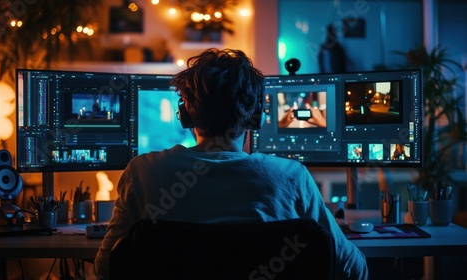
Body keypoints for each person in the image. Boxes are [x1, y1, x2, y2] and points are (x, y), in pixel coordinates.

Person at [94, 48, 368, 280]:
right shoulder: (292, 176)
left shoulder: (143, 172)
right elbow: (353, 270)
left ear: (185, 115)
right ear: (256, 117)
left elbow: (106, 268)